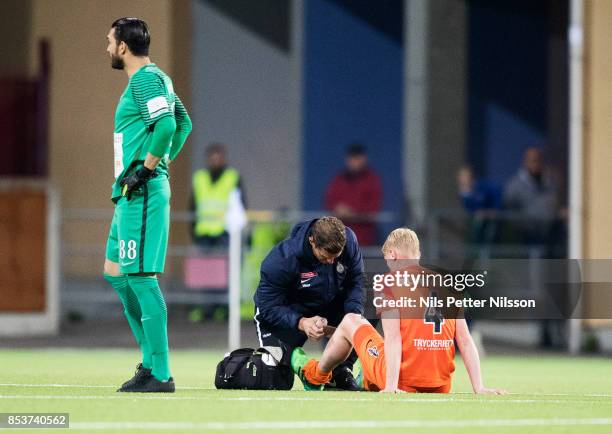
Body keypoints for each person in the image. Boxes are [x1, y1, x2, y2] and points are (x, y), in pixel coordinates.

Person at [292, 228, 505, 394]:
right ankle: (365, 378)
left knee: (350, 320)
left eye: (387, 260)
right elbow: (466, 341)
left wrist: (391, 386)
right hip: (440, 385)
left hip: (402, 380)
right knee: (380, 341)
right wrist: (479, 387)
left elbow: (394, 339)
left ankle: (315, 376)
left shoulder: (389, 282)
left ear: (393, 255)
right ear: (418, 253)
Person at [102, 18, 192, 393]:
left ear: (123, 46)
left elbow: (170, 126)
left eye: (109, 41)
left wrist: (148, 169)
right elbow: (184, 122)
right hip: (128, 194)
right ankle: (150, 361)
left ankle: (161, 373)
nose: (107, 47)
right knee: (115, 273)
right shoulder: (157, 80)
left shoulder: (145, 80)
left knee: (140, 278)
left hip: (141, 192)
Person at [253, 216, 364, 390]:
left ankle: (339, 371)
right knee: (277, 382)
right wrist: (302, 322)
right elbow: (267, 307)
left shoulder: (349, 242)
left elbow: (357, 282)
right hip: (289, 312)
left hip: (329, 304)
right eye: (325, 256)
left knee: (372, 303)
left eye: (336, 256)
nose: (331, 262)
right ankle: (302, 366)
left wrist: (352, 317)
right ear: (312, 241)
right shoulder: (280, 260)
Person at [324, 143, 382, 246]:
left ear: (364, 159)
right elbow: (329, 200)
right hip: (339, 238)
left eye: (357, 158)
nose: (354, 162)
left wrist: (353, 212)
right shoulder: (339, 178)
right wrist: (337, 208)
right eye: (352, 158)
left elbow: (374, 206)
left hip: (363, 238)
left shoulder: (372, 180)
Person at [190, 143, 245, 248]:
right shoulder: (199, 177)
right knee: (204, 263)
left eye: (218, 158)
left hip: (224, 230)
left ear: (224, 159)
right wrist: (192, 230)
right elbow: (192, 206)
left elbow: (241, 204)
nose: (215, 162)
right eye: (213, 158)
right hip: (203, 231)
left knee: (224, 262)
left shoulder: (232, 177)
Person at [456, 165, 502, 246]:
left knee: (490, 234)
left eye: (464, 176)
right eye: (460, 177)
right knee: (476, 228)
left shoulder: (482, 185)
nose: (462, 180)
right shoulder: (464, 194)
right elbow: (470, 210)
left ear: (471, 177)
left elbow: (496, 194)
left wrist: (495, 210)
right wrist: (467, 194)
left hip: (492, 219)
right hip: (479, 221)